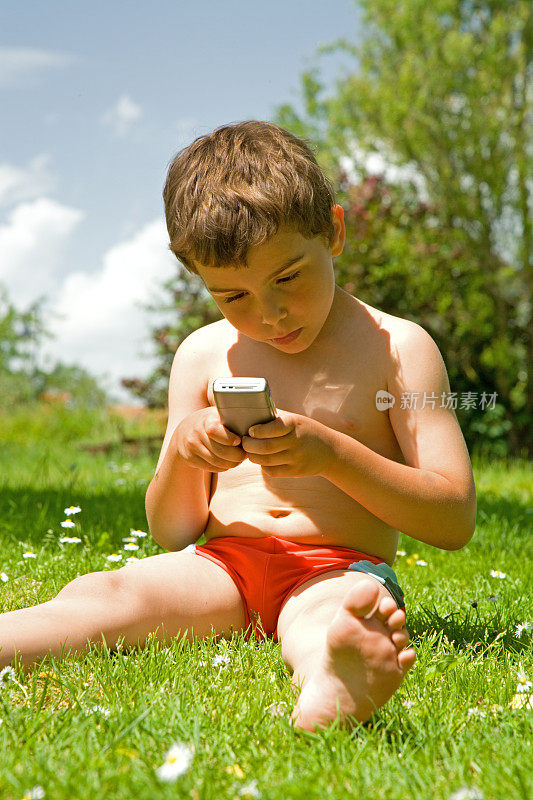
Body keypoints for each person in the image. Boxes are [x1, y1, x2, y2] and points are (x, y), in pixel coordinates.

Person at [0, 121, 476, 732]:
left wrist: (331, 454)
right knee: (107, 596)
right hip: (221, 566)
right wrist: (184, 452)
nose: (270, 314)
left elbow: (453, 517)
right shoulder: (202, 355)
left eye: (287, 278)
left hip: (338, 565)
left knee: (330, 617)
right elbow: (172, 531)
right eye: (233, 297)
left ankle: (336, 679)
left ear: (333, 230)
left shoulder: (397, 349)